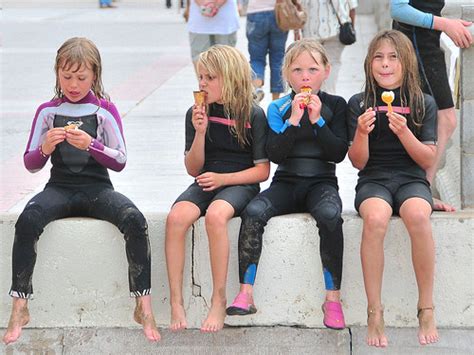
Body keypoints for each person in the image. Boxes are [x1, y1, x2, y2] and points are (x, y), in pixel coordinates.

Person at [2, 37, 160, 345]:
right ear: (57, 74)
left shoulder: (104, 111)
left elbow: (121, 160)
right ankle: (19, 306)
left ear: (95, 76)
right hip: (59, 188)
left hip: (97, 189)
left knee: (134, 219)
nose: (73, 84)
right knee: (27, 221)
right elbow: (30, 162)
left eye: (81, 77)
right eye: (66, 76)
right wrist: (46, 146)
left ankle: (143, 305)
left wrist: (92, 144)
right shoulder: (48, 111)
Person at [226, 39, 349, 330]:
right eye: (297, 70)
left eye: (312, 69)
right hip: (286, 181)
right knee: (254, 211)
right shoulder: (278, 108)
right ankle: (246, 293)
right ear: (286, 75)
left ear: (326, 71)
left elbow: (338, 153)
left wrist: (318, 121)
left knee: (331, 216)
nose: (305, 76)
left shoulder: (336, 106)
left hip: (322, 181)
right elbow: (275, 153)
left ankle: (332, 299)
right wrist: (294, 120)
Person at [165, 45, 270, 333]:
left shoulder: (252, 114)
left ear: (231, 78)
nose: (202, 84)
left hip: (240, 181)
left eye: (210, 78)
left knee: (215, 216)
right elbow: (193, 168)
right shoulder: (196, 112)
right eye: (200, 77)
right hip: (206, 176)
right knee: (176, 218)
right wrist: (199, 132)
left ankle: (218, 297)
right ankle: (176, 300)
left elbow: (262, 171)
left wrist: (224, 180)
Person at [347, 29, 439, 347]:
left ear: (406, 63)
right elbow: (358, 163)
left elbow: (428, 159)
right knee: (375, 219)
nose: (385, 64)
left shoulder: (421, 102)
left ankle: (426, 307)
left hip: (412, 178)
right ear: (369, 63)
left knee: (417, 216)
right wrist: (361, 132)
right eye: (378, 57)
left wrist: (404, 134)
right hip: (373, 179)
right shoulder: (359, 103)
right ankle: (375, 311)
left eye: (393, 57)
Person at [391, 0, 473, 211]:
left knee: (426, 120)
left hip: (424, 42)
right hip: (417, 45)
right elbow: (398, 9)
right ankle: (421, 190)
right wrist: (446, 24)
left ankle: (416, 189)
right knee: (445, 120)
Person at [300, 0, 358, 94]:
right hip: (335, 28)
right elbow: (352, 6)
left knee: (313, 64)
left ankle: (315, 94)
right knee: (332, 63)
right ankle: (328, 95)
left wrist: (296, 31)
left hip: (310, 32)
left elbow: (299, 6)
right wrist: (351, 28)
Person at [246, 0, 289, 102]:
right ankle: (276, 101)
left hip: (255, 12)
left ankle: (257, 89)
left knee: (256, 59)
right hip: (279, 11)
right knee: (278, 59)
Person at [187, 0, 240, 73]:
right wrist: (215, 4)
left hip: (204, 21)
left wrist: (205, 5)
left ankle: (216, 83)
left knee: (224, 60)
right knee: (225, 59)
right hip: (224, 20)